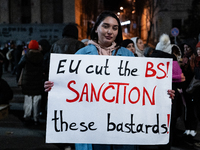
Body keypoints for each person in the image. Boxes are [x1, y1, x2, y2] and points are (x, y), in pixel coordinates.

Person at [44, 11, 175, 150]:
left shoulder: (128, 55)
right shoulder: (81, 55)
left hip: (122, 128)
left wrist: (162, 94)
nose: (110, 31)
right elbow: (71, 90)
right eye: (105, 26)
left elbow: (142, 89)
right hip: (91, 128)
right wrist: (55, 87)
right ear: (96, 28)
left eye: (115, 28)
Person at [150, 33, 185, 149]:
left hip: (152, 100)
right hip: (170, 100)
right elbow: (181, 79)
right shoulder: (172, 61)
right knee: (167, 129)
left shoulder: (150, 59)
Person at [17, 40, 44, 125]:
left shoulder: (26, 56)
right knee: (36, 100)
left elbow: (19, 65)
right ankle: (36, 118)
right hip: (38, 81)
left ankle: (27, 116)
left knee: (28, 100)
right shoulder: (41, 56)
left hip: (27, 81)